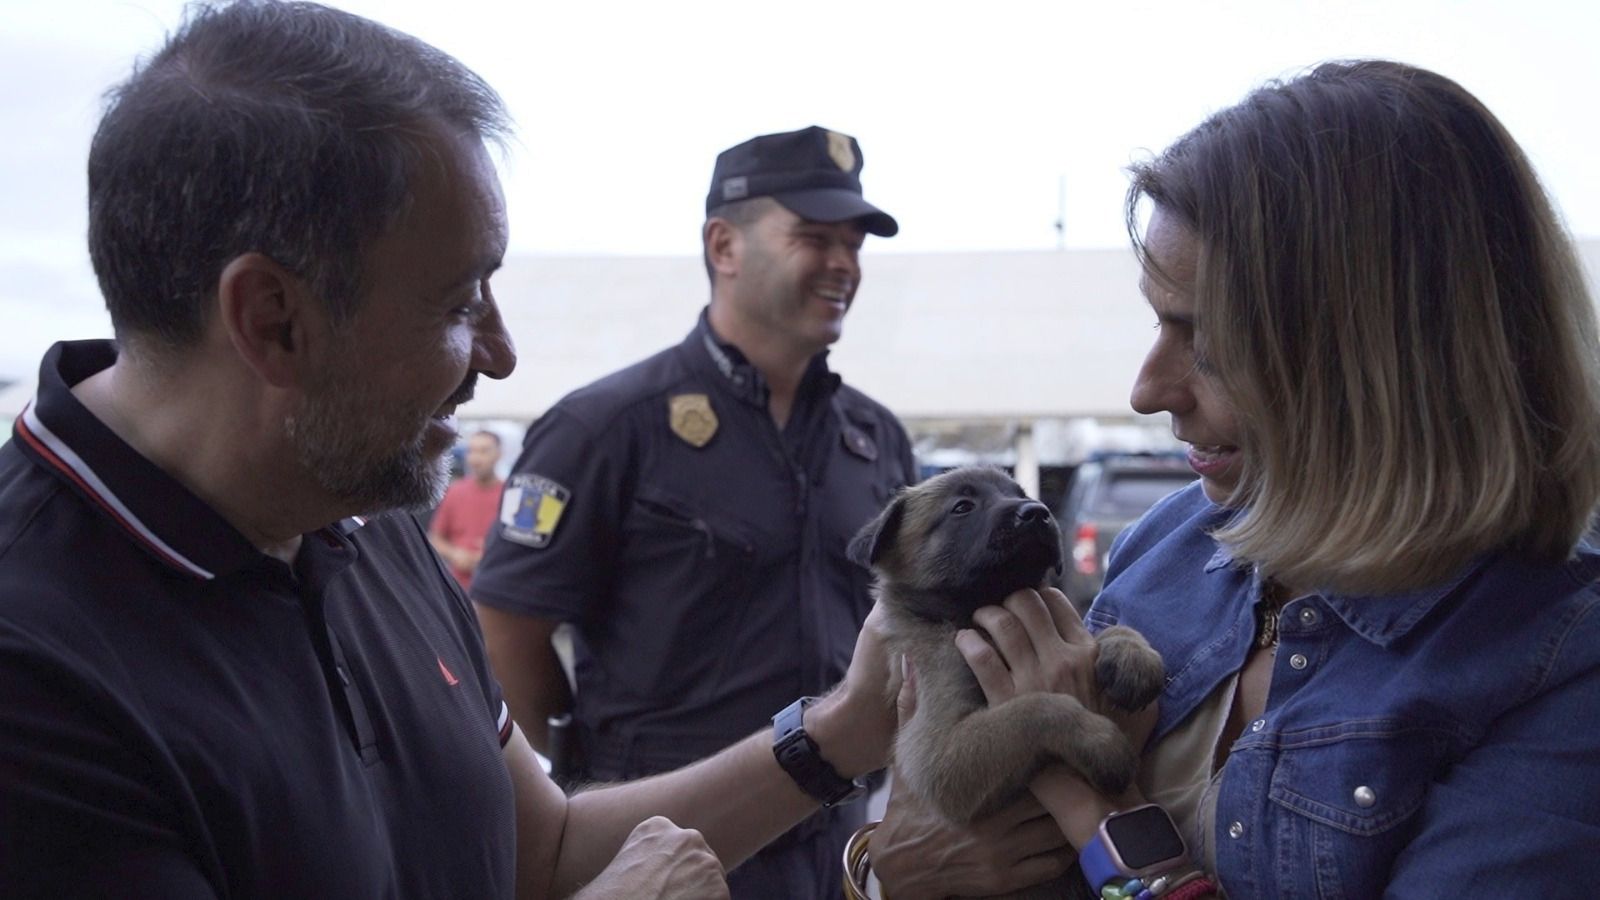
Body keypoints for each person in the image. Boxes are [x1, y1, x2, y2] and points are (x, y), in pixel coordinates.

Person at [0, 3, 920, 897]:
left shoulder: (360, 521)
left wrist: (844, 728)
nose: (500, 352)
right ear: (273, 320)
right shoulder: (36, 669)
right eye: (458, 301)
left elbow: (546, 851)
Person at [871, 60, 1600, 898]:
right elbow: (931, 836)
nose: (1147, 391)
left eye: (1207, 339)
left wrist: (1094, 811)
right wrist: (881, 870)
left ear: (1383, 358)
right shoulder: (1170, 546)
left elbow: (1046, 799)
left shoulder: (1561, 665)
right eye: (1157, 322)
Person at [470, 125, 919, 898]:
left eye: (854, 244)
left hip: (837, 844)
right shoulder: (607, 428)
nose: (843, 263)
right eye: (815, 237)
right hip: (665, 846)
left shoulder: (874, 439)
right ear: (724, 246)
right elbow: (508, 628)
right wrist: (582, 781)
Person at [430, 429, 506, 589]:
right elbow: (435, 538)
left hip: (496, 589)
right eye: (472, 451)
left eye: (484, 451)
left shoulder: (509, 495)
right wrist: (455, 554)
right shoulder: (455, 492)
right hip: (458, 588)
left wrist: (489, 555)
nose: (476, 458)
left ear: (499, 455)